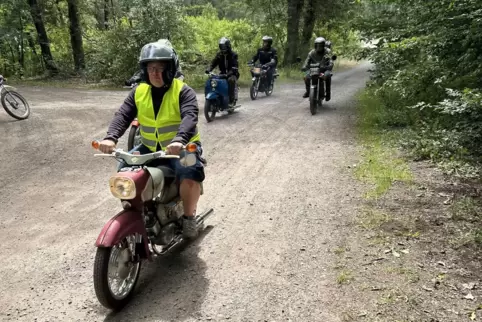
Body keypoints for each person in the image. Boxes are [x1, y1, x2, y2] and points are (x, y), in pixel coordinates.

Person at [99, 41, 205, 239]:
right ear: (144, 70)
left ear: (171, 69)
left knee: (190, 170)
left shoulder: (183, 91)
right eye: (151, 68)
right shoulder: (139, 92)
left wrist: (180, 139)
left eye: (161, 68)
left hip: (182, 148)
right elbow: (123, 115)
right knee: (125, 167)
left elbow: (190, 116)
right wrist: (111, 138)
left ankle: (189, 218)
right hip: (149, 147)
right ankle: (142, 209)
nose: (155, 73)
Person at [205, 37, 239, 105]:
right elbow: (213, 63)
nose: (223, 48)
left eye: (224, 46)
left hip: (232, 74)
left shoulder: (233, 55)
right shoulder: (219, 55)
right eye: (221, 46)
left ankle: (231, 100)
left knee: (230, 80)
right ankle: (217, 97)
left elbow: (234, 67)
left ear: (228, 45)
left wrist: (228, 74)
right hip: (222, 73)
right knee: (212, 79)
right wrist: (209, 69)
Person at [301, 37, 334, 101]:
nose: (319, 47)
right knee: (306, 77)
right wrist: (304, 67)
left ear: (324, 45)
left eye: (321, 45)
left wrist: (330, 65)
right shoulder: (311, 53)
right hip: (313, 69)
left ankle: (328, 94)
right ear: (315, 45)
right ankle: (308, 92)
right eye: (317, 45)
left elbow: (331, 60)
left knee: (328, 75)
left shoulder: (327, 52)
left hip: (324, 69)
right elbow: (307, 61)